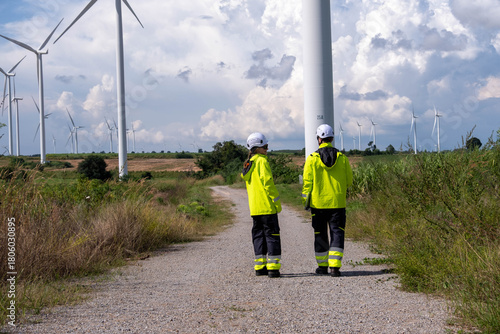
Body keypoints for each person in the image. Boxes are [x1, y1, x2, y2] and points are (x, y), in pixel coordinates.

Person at [302, 124, 353, 277]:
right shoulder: (342, 158)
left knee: (320, 233)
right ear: (332, 138)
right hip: (337, 203)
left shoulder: (312, 159)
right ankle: (335, 267)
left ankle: (322, 266)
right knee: (337, 233)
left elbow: (307, 183)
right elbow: (349, 181)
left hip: (318, 204)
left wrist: (306, 201)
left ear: (319, 139)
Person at [241, 132, 282, 278]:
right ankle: (273, 268)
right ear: (257, 147)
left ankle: (260, 266)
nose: (267, 149)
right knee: (272, 236)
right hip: (267, 207)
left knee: (258, 236)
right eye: (265, 146)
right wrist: (277, 202)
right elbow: (268, 183)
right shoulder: (262, 161)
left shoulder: (249, 164)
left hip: (255, 209)